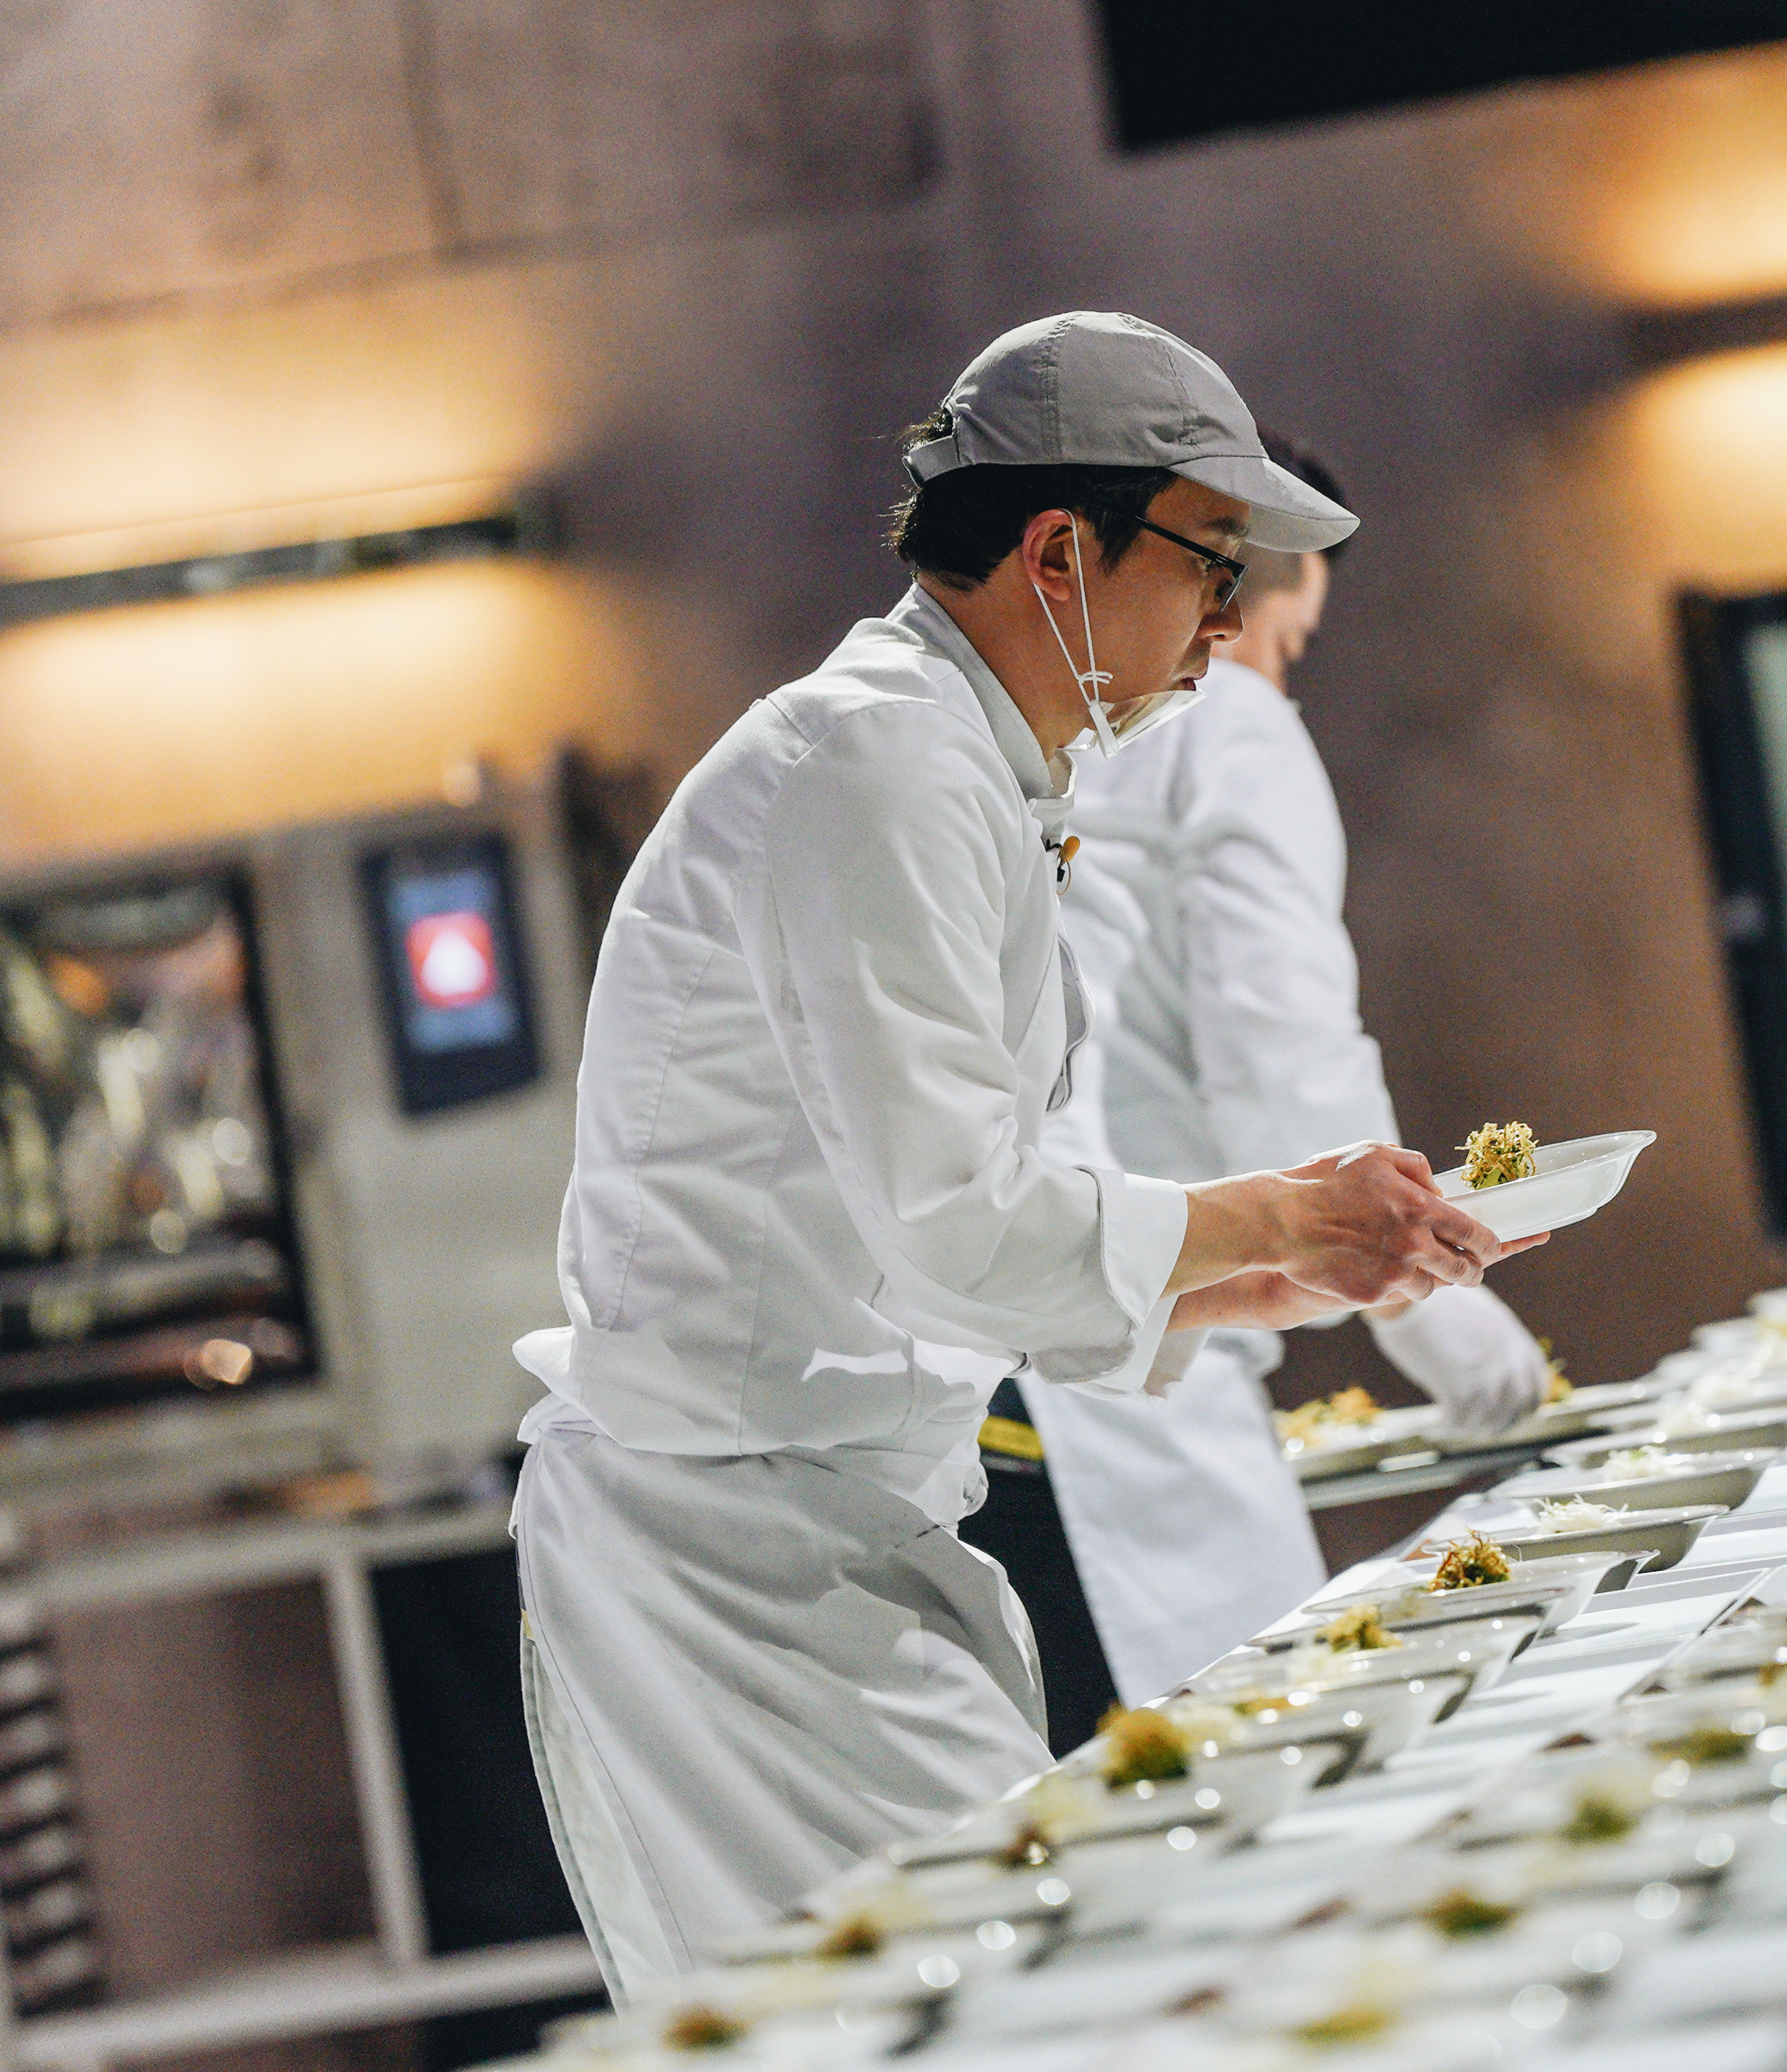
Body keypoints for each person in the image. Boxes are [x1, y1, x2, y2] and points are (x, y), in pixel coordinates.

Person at [506, 312, 1534, 1999]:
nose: (1225, 623)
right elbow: (952, 1222)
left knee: (999, 2004)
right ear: (1058, 552)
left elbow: (957, 1207)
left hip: (816, 1516)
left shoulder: (979, 767)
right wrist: (1276, 1209)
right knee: (987, 2015)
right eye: (1208, 562)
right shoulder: (882, 761)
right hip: (729, 1551)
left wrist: (1233, 1275)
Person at [963, 436, 1550, 1735]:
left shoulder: (1032, 732)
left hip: (987, 1372)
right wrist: (1441, 1318)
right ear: (1232, 598)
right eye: (1287, 638)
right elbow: (1282, 1051)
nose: (1267, 668)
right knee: (1243, 1758)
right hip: (1110, 1365)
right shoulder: (1232, 720)